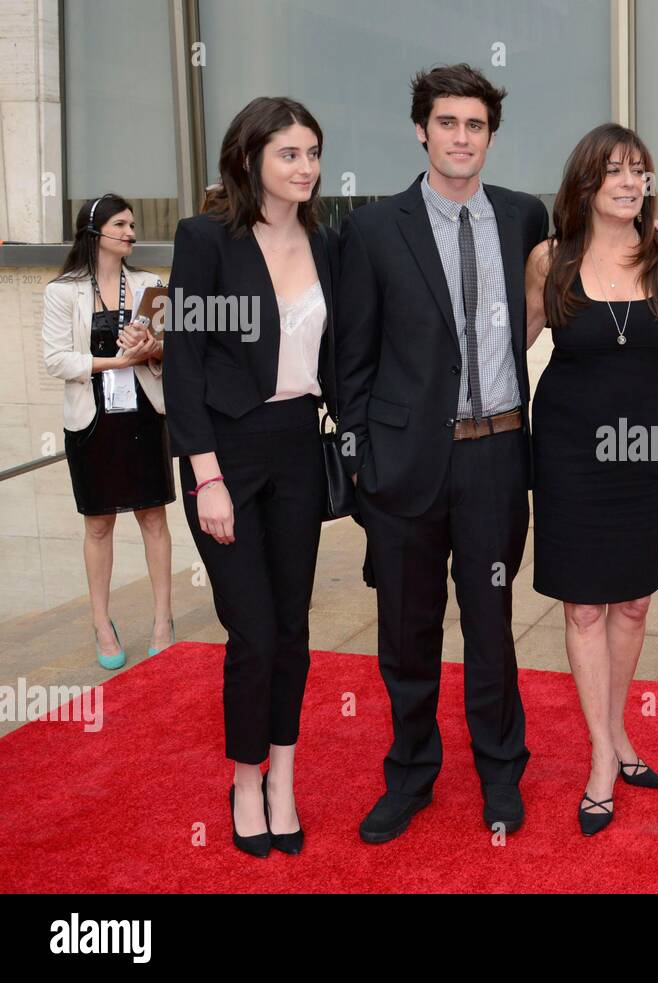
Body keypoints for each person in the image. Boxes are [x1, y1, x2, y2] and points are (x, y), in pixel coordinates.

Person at [334, 64, 548, 844]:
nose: (462, 138)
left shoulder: (526, 218)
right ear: (420, 129)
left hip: (496, 454)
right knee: (408, 631)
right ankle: (412, 775)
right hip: (404, 463)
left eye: (476, 125)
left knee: (491, 623)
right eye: (448, 123)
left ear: (492, 135)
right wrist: (362, 459)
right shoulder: (371, 228)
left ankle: (501, 774)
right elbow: (348, 359)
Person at [524, 123, 658, 836]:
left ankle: (616, 731)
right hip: (568, 446)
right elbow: (512, 341)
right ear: (585, 180)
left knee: (634, 602)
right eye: (613, 170)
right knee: (583, 606)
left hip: (640, 441)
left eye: (637, 170)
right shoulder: (550, 258)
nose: (628, 181)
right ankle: (602, 758)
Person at [164, 96, 340, 859]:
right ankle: (244, 779)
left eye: (311, 153)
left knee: (294, 628)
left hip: (300, 442)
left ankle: (285, 780)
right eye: (289, 154)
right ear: (250, 159)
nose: (305, 168)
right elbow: (184, 362)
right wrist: (206, 477)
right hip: (226, 453)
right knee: (254, 631)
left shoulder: (326, 242)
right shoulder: (207, 239)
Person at [42, 193, 175, 670]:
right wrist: (120, 360)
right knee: (98, 523)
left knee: (153, 518)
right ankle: (102, 621)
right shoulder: (62, 291)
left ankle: (163, 620)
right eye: (121, 224)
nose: (131, 232)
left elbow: (169, 351)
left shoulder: (152, 285)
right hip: (92, 421)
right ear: (94, 232)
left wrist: (152, 347)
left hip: (142, 414)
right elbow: (57, 359)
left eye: (133, 225)